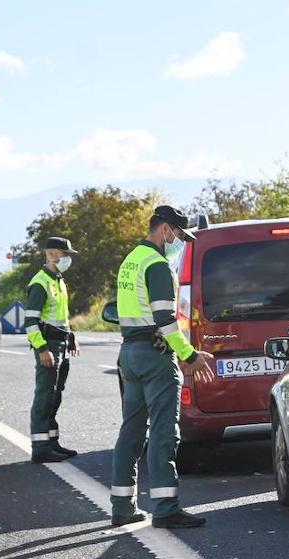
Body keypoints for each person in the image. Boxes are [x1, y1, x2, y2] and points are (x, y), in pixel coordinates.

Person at [108, 205, 207, 529]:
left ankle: (122, 506)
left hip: (130, 353)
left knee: (131, 432)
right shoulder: (157, 265)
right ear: (165, 230)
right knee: (164, 432)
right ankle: (165, 508)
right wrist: (190, 355)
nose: (179, 241)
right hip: (154, 356)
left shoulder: (130, 260)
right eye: (178, 235)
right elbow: (166, 321)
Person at [25, 236, 80, 463]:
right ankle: (40, 448)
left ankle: (52, 441)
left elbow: (60, 318)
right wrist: (42, 348)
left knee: (55, 394)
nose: (67, 259)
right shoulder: (40, 283)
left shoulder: (58, 280)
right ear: (52, 254)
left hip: (61, 344)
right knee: (45, 395)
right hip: (49, 346)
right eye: (64, 254)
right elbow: (30, 322)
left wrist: (71, 338)